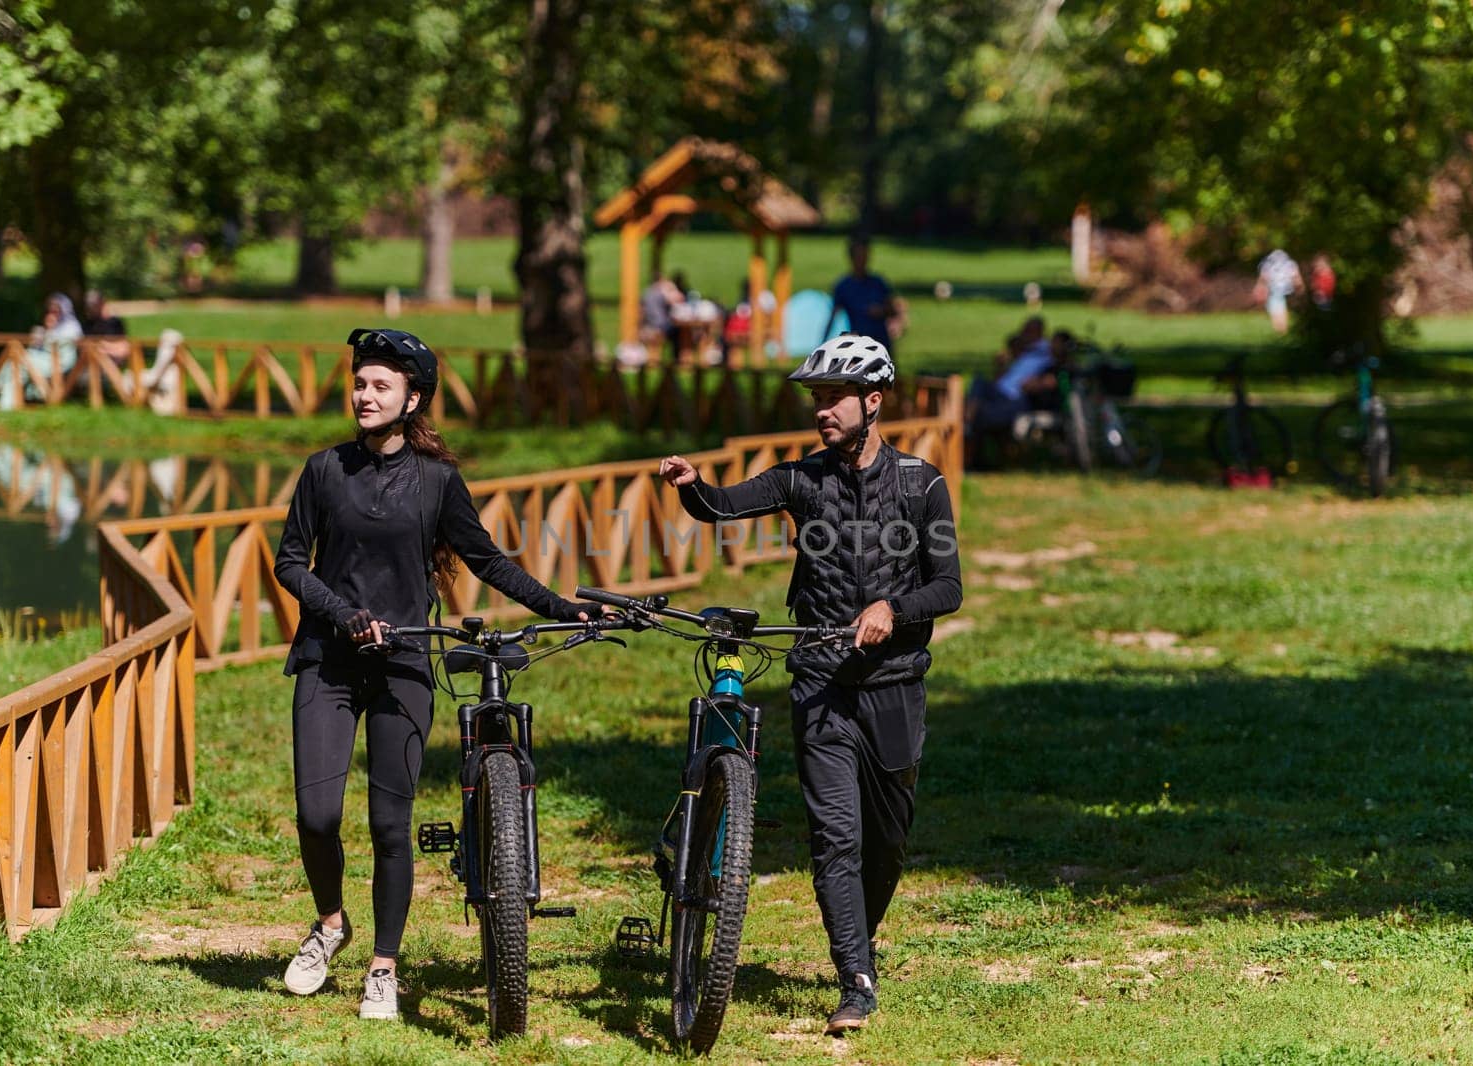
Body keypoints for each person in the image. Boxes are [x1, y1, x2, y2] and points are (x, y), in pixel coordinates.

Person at [272, 328, 601, 1022]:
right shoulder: (323, 470)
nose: (364, 395)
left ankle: (383, 967)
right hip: (328, 661)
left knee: (392, 825)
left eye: (380, 385)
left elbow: (487, 560)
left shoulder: (437, 481)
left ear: (412, 397)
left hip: (404, 666)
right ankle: (330, 924)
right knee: (316, 814)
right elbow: (291, 563)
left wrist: (563, 607)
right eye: (360, 383)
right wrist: (345, 613)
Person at [657, 334, 962, 1036]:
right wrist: (690, 486)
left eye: (834, 399)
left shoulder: (922, 483)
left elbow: (948, 586)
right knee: (835, 837)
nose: (822, 411)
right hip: (820, 680)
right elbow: (721, 505)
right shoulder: (802, 478)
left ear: (873, 402)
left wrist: (894, 608)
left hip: (894, 684)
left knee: (886, 843)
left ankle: (861, 938)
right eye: (816, 400)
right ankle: (855, 977)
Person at [0, 294, 84, 408]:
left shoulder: (71, 326)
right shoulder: (52, 324)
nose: (52, 313)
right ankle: (5, 404)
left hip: (59, 363)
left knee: (19, 360)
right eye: (51, 310)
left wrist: (48, 332)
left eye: (56, 310)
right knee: (15, 366)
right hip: (43, 359)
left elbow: (62, 346)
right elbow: (39, 346)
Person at [826, 236, 899, 351]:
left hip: (881, 343)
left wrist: (881, 311)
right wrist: (823, 344)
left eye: (865, 255)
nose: (862, 260)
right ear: (851, 258)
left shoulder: (878, 283)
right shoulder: (843, 286)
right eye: (859, 256)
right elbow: (833, 316)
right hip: (858, 344)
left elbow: (893, 310)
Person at [1254, 249, 1302, 334]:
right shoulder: (1290, 264)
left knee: (1277, 312)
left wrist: (1259, 288)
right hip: (1287, 291)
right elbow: (1297, 279)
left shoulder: (1268, 264)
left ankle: (1281, 331)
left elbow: (1263, 278)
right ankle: (1282, 330)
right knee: (1281, 311)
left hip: (1276, 292)